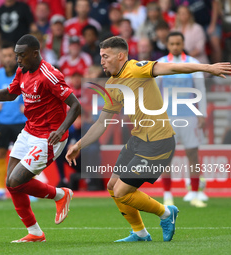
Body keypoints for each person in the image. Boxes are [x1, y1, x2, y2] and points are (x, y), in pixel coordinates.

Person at [65, 36, 231, 242]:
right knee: (112, 186)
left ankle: (167, 213)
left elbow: (171, 68)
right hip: (137, 140)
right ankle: (140, 233)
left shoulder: (136, 68)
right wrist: (79, 144)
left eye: (106, 56)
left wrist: (208, 68)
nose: (102, 61)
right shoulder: (112, 84)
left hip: (159, 141)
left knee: (123, 191)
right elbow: (102, 122)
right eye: (101, 56)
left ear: (120, 56)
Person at [0, 34, 81, 243]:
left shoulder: (50, 75)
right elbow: (10, 94)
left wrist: (62, 128)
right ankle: (36, 233)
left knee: (16, 181)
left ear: (35, 53)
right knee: (11, 184)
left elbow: (76, 105)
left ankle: (60, 195)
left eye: (21, 55)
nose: (17, 59)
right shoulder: (22, 71)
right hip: (29, 132)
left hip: (49, 137)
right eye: (16, 55)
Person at [156, 31, 208, 207]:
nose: (175, 47)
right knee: (165, 157)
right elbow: (154, 91)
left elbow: (200, 89)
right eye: (172, 44)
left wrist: (202, 114)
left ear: (183, 43)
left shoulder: (194, 63)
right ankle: (167, 195)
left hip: (190, 115)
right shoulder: (160, 64)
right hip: (167, 116)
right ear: (168, 45)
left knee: (193, 154)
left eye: (178, 43)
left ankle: (194, 193)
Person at [0, 42, 27, 202]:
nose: (8, 58)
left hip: (20, 121)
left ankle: (28, 188)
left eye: (11, 55)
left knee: (25, 157)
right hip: (2, 122)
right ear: (1, 58)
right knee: (1, 153)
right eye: (5, 56)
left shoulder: (23, 73)